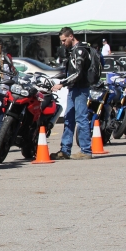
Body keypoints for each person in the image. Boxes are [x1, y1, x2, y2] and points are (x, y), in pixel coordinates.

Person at [51, 27, 95, 160]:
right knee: (69, 118)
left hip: (80, 89)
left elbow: (78, 73)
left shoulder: (80, 51)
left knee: (81, 118)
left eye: (64, 40)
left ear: (71, 36)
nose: (63, 43)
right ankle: (65, 150)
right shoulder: (73, 51)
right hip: (73, 88)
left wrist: (62, 83)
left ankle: (86, 150)